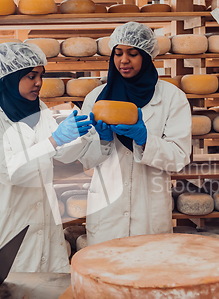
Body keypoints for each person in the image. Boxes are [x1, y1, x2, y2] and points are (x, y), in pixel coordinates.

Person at [0, 43, 92, 299]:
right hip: (7, 225)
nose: (39, 82)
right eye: (30, 76)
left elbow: (61, 153)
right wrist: (53, 142)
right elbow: (8, 169)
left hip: (41, 225)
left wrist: (85, 137)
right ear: (8, 79)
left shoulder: (38, 109)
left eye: (41, 74)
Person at [79, 22, 192, 245]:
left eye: (132, 54)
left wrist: (144, 140)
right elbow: (84, 157)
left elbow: (179, 157)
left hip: (149, 211)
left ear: (147, 56)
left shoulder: (171, 97)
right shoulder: (96, 98)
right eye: (118, 53)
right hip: (107, 211)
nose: (123, 60)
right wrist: (101, 142)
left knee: (149, 276)